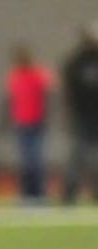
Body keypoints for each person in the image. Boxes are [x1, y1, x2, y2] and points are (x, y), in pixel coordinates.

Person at [5, 44, 54, 203]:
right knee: (26, 161)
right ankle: (27, 193)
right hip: (22, 122)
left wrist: (46, 115)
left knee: (36, 160)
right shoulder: (14, 76)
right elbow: (12, 100)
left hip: (37, 121)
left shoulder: (39, 74)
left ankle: (40, 193)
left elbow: (48, 94)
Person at [61, 21, 98, 203]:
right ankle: (70, 190)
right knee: (78, 154)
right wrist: (69, 111)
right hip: (82, 115)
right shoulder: (76, 61)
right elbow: (68, 89)